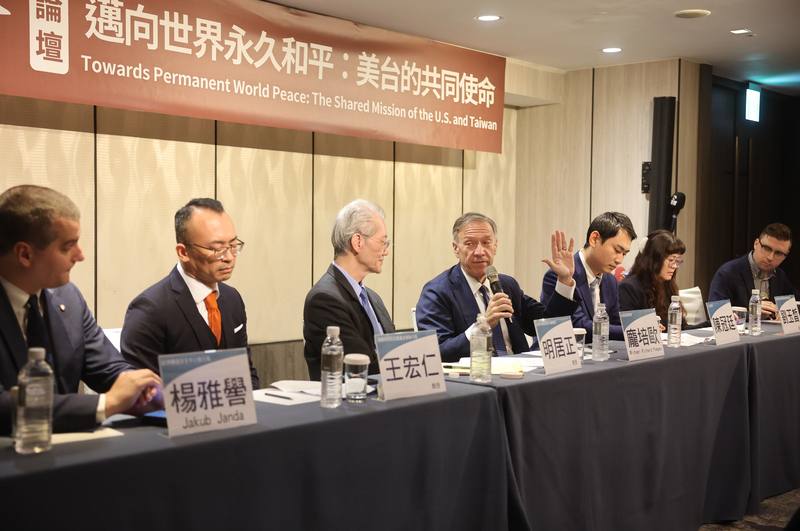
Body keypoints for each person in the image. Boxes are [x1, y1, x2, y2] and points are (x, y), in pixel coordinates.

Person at [0, 185, 161, 435]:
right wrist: (105, 404)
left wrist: (142, 388)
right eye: (67, 246)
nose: (80, 255)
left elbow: (107, 367)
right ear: (25, 254)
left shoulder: (68, 297)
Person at [121, 198, 259, 388]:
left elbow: (246, 372)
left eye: (233, 246)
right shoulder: (150, 309)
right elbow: (142, 392)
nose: (228, 258)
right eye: (217, 249)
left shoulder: (232, 299)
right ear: (183, 252)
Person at [416, 212, 578, 362]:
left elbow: (546, 325)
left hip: (520, 373)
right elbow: (437, 352)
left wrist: (564, 280)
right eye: (470, 244)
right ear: (456, 248)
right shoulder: (437, 292)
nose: (479, 251)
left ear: (495, 246)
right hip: (477, 378)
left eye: (486, 243)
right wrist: (482, 326)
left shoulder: (507, 285)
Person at [303, 199, 395, 380]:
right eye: (383, 242)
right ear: (358, 241)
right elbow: (360, 363)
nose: (386, 252)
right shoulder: (324, 300)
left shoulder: (372, 298)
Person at [541, 211, 636, 342]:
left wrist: (642, 327)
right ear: (594, 239)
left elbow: (615, 322)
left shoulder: (610, 280)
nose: (619, 259)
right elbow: (578, 326)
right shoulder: (561, 276)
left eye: (624, 254)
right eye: (617, 250)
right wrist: (631, 330)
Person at [709, 223, 799, 319]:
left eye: (779, 253)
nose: (770, 257)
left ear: (786, 255)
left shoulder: (780, 276)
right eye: (766, 248)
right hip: (743, 332)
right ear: (756, 244)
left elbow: (795, 304)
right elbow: (716, 315)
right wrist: (752, 313)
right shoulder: (728, 273)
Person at [619, 230, 688, 327]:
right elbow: (629, 329)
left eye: (677, 261)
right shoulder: (629, 288)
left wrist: (709, 324)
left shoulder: (667, 285)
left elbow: (682, 328)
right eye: (671, 260)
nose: (674, 266)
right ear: (654, 260)